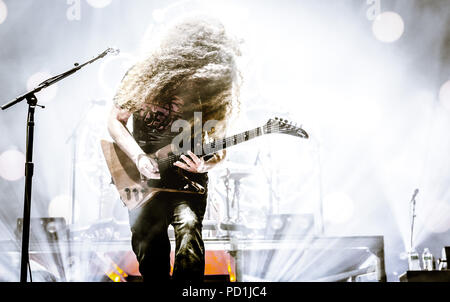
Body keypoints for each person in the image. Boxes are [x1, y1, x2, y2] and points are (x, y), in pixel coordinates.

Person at [107, 16, 241, 282]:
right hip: (144, 179)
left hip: (187, 180)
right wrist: (138, 156)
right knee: (148, 243)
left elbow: (220, 146)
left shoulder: (211, 90)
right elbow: (115, 120)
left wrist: (204, 165)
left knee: (189, 230)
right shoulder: (141, 75)